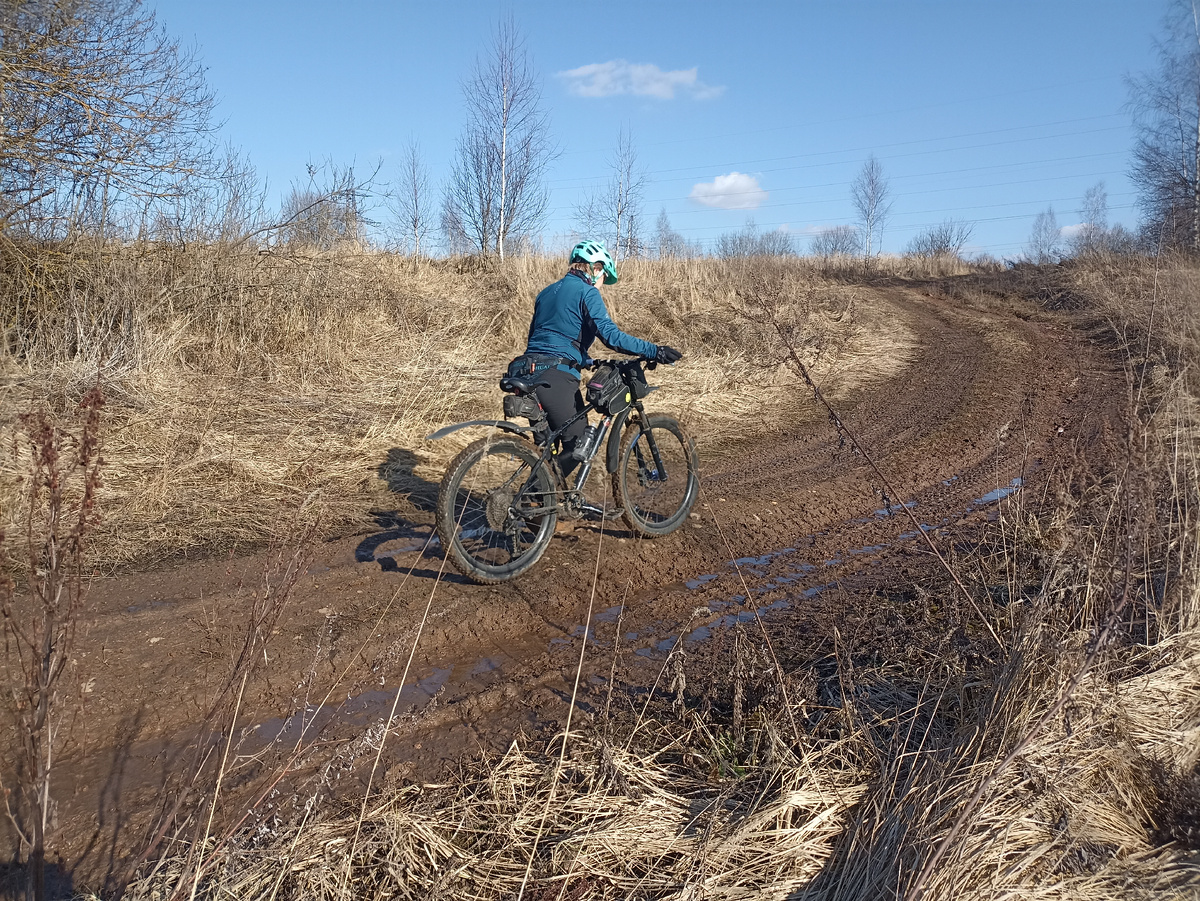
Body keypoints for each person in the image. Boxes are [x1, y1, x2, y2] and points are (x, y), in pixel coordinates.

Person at [507, 240, 682, 473]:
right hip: (555, 377)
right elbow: (611, 336)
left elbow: (543, 341)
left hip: (527, 372)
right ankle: (534, 499)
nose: (602, 284)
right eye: (603, 277)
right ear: (594, 268)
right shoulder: (587, 292)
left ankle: (542, 503)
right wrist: (654, 350)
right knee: (580, 443)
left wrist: (586, 360)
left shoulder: (546, 293)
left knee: (548, 452)